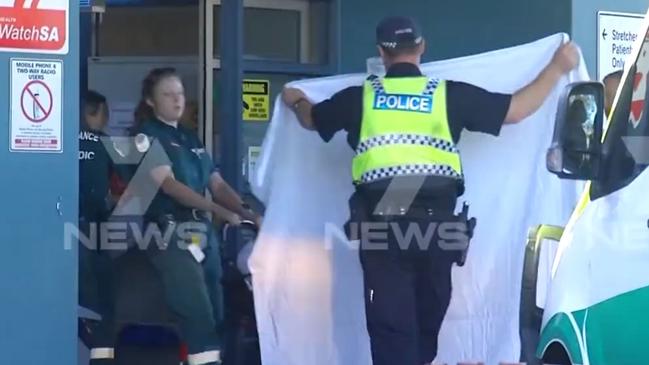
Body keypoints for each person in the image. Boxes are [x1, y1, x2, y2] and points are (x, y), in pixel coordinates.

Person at [281, 16, 580, 365]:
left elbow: (312, 119)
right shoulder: (446, 95)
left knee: (393, 335)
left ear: (381, 53)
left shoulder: (360, 99)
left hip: (383, 232)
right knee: (425, 334)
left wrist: (296, 100)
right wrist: (558, 68)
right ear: (422, 48)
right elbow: (516, 110)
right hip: (437, 232)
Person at [129, 67, 262, 365]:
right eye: (168, 94)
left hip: (202, 235)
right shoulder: (145, 137)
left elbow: (217, 183)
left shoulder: (190, 138)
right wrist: (217, 210)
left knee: (216, 312)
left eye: (180, 94)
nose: (177, 100)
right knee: (197, 314)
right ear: (150, 101)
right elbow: (169, 185)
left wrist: (248, 213)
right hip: (169, 233)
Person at [78, 90, 120, 364]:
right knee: (97, 302)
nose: (108, 119)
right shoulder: (105, 144)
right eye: (105, 113)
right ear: (93, 113)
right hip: (93, 232)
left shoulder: (56, 139)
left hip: (60, 231)